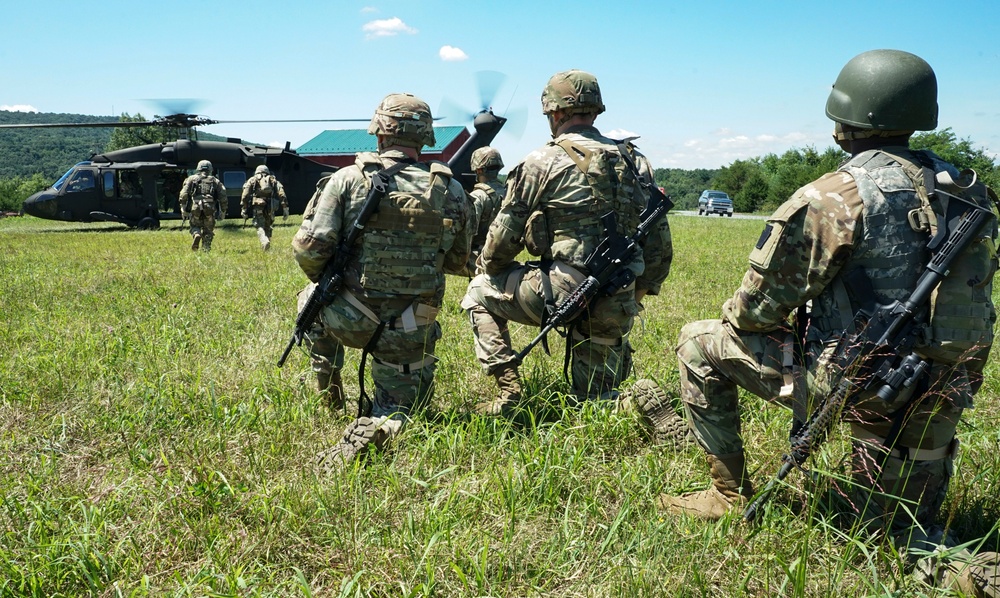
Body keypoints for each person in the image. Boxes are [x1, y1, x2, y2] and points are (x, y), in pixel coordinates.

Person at [657, 49, 1000, 595]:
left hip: (861, 386)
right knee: (908, 534)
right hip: (944, 385)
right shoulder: (968, 190)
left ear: (845, 117)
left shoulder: (834, 196)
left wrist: (770, 329)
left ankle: (726, 494)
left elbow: (753, 310)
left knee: (698, 343)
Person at [460, 69, 685, 445]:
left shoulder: (540, 162)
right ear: (595, 110)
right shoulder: (635, 160)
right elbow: (659, 241)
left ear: (553, 112)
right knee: (594, 401)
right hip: (618, 293)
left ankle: (509, 391)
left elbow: (502, 239)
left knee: (478, 293)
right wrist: (638, 292)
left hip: (560, 291)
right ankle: (632, 404)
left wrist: (491, 271)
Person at [292, 92, 473, 469]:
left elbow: (309, 249)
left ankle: (329, 390)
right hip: (412, 327)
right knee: (403, 412)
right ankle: (383, 424)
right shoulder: (451, 190)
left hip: (350, 318)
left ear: (379, 132)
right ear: (425, 137)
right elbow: (458, 262)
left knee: (309, 297)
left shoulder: (347, 180)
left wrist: (334, 286)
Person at [457, 146, 506, 277]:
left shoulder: (479, 196)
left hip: (480, 257)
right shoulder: (508, 193)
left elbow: (468, 231)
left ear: (478, 170)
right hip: (505, 254)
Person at [179, 160, 227, 251]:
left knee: (194, 225)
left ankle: (196, 234)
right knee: (208, 229)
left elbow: (183, 194)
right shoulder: (215, 181)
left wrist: (183, 209)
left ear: (198, 168)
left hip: (196, 206)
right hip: (209, 207)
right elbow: (223, 196)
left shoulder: (191, 179)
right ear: (210, 169)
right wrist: (223, 211)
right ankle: (206, 249)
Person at [241, 164, 288, 251]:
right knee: (268, 225)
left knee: (259, 225)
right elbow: (282, 194)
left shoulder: (253, 179)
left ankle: (264, 241)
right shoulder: (273, 180)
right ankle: (267, 248)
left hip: (258, 206)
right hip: (270, 207)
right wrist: (285, 208)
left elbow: (245, 195)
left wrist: (244, 208)